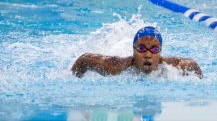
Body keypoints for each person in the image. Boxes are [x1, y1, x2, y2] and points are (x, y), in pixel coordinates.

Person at [71, 26, 203, 78]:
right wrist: (74, 79)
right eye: (141, 49)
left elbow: (193, 65)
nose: (147, 55)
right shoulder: (115, 67)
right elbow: (85, 59)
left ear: (160, 52)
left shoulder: (172, 66)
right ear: (133, 51)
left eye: (154, 50)